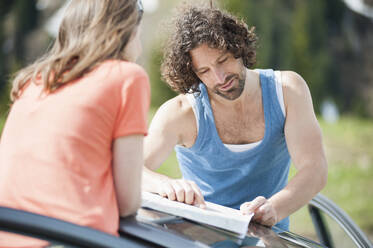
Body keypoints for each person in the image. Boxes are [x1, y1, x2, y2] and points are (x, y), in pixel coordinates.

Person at [143, 3, 328, 231]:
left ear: (238, 47)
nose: (219, 78)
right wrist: (166, 184)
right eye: (205, 71)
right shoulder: (180, 112)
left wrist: (274, 208)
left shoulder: (287, 91)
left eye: (223, 61)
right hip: (199, 238)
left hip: (267, 238)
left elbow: (315, 170)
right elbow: (132, 171)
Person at [0, 0, 149, 246]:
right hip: (70, 237)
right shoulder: (127, 77)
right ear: (127, 28)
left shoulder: (35, 81)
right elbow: (127, 202)